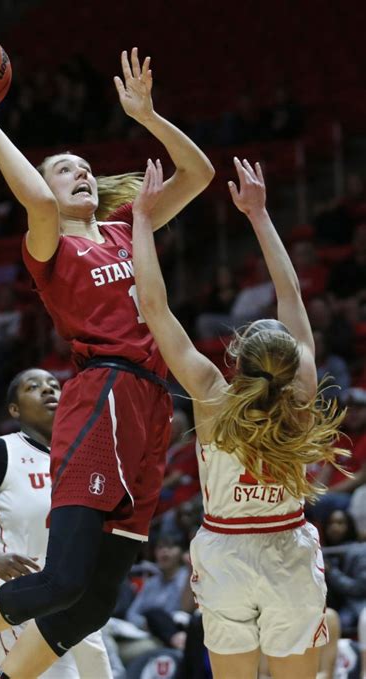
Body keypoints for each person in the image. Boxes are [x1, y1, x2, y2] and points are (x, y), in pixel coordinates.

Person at [0, 47, 214, 679]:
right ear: (47, 186)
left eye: (87, 167)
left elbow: (198, 173)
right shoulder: (50, 243)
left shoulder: (130, 228)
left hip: (153, 405)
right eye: (65, 170)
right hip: (103, 396)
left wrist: (147, 116)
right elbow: (39, 204)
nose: (82, 174)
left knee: (92, 603)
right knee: (62, 579)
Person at [130, 156, 347, 678]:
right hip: (287, 544)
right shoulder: (302, 394)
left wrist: (140, 220)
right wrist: (259, 215)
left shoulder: (210, 394)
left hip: (225, 548)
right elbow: (292, 293)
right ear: (291, 364)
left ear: (237, 359)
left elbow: (155, 310)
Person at [0, 367, 111, 678]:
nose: (48, 390)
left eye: (53, 385)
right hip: (19, 599)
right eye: (34, 387)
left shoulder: (81, 458)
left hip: (76, 601)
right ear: (14, 409)